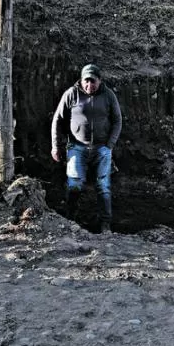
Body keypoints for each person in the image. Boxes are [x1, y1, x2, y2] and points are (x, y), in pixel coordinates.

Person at [51, 64, 122, 233]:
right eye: (86, 81)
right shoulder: (71, 94)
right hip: (77, 147)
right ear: (81, 80)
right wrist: (56, 146)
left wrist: (109, 145)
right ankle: (70, 220)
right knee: (74, 184)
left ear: (100, 80)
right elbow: (57, 120)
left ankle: (105, 224)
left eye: (93, 81)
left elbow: (117, 120)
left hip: (102, 148)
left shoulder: (108, 95)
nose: (89, 85)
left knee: (103, 186)